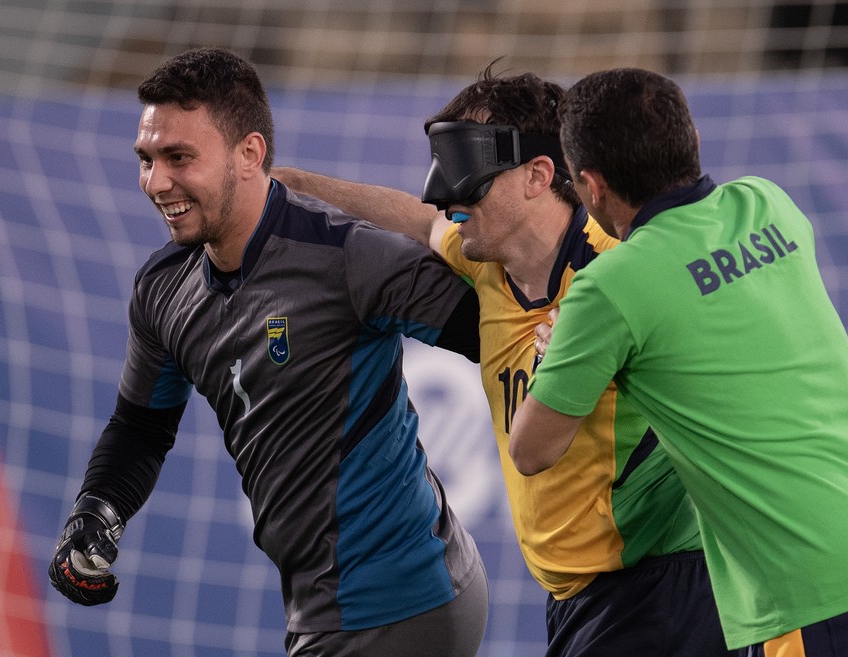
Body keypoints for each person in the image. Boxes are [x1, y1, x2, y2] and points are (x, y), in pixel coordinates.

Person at [275, 64, 732, 657]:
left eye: (469, 168)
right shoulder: (484, 259)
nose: (446, 193)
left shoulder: (624, 272)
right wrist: (290, 185)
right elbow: (417, 219)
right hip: (576, 599)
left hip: (664, 585)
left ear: (541, 175)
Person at [46, 47, 489, 657]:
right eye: (146, 160)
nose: (156, 182)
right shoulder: (162, 290)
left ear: (249, 154)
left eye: (179, 158)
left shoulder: (344, 256)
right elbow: (141, 427)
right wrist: (96, 512)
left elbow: (493, 330)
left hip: (402, 597)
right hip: (325, 604)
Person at [509, 66, 848, 657]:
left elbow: (531, 450)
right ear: (690, 142)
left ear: (589, 186)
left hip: (819, 589)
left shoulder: (609, 289)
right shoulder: (770, 203)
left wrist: (569, 345)